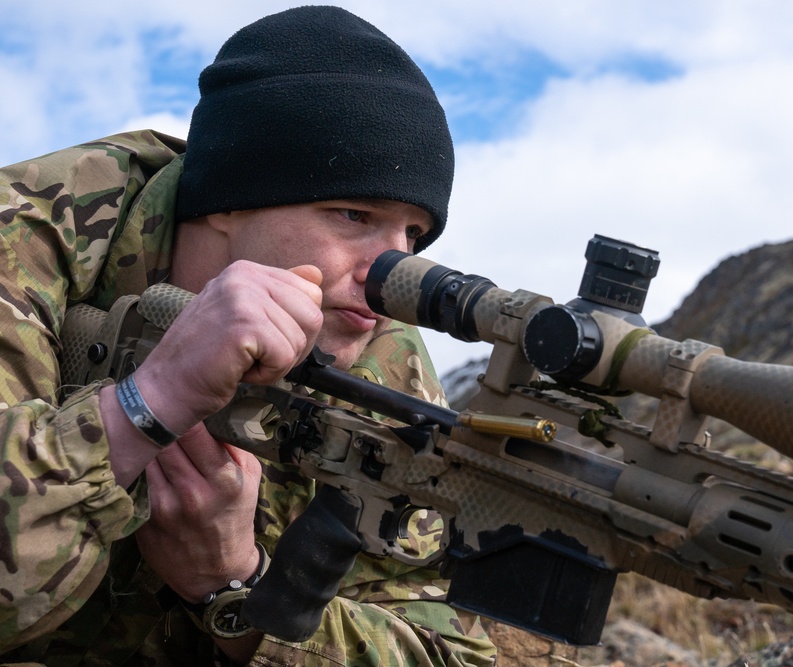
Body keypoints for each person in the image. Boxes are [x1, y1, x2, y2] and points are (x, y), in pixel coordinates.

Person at [0, 6, 496, 666]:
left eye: (413, 235)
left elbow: (448, 648)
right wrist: (139, 411)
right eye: (354, 213)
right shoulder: (27, 242)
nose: (389, 273)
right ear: (230, 199)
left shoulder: (374, 346)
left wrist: (239, 589)